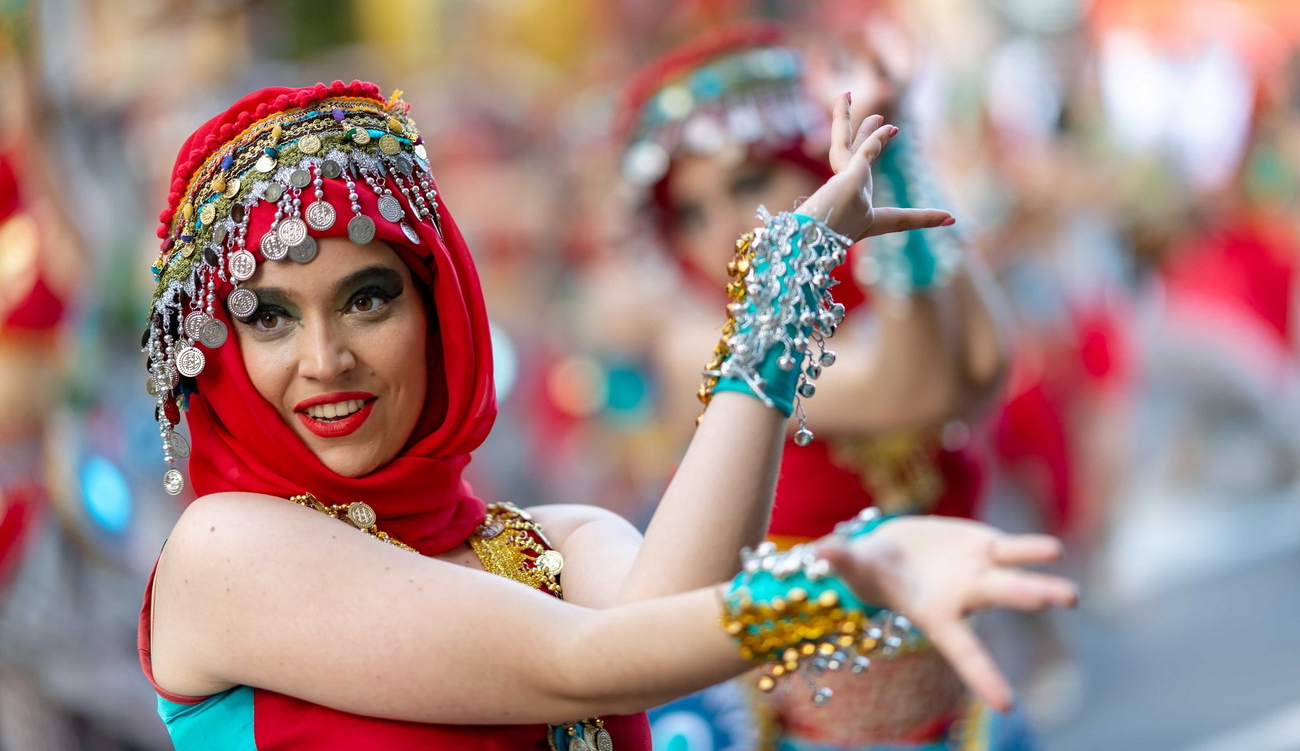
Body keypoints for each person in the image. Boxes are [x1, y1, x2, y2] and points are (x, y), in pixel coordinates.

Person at [138, 80, 1075, 750]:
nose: (324, 358)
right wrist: (848, 576)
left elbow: (661, 629)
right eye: (269, 316)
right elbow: (583, 660)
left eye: (367, 298)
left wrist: (797, 272)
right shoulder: (225, 551)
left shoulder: (550, 545)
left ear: (440, 313)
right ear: (217, 351)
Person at [614, 24, 1016, 749]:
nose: (725, 229)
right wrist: (884, 186)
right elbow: (914, 392)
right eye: (691, 213)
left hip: (960, 721)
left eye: (749, 183)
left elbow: (983, 367)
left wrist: (894, 150)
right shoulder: (705, 344)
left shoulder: (891, 308)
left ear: (817, 170)